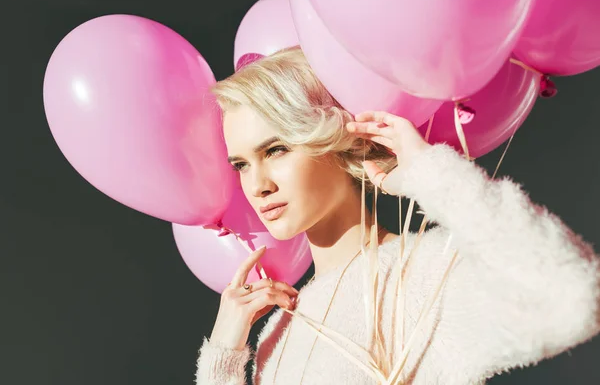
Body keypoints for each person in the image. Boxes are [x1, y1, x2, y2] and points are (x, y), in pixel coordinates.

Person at [195, 46, 600, 384]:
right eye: (241, 165)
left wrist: (431, 173)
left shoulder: (424, 272)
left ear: (334, 140)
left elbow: (572, 297)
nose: (257, 184)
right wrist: (224, 354)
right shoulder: (278, 333)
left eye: (276, 150)